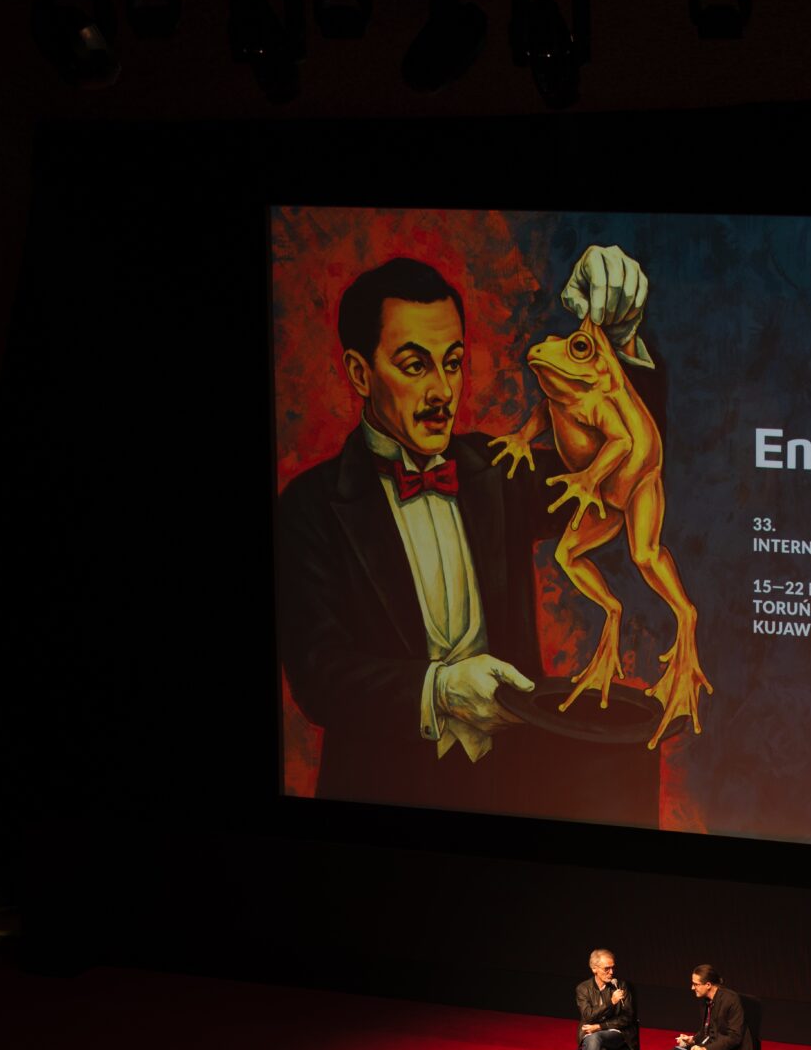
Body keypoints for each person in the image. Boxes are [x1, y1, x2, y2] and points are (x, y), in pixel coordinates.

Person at [275, 247, 662, 820]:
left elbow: (627, 468)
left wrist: (622, 338)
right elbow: (320, 677)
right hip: (378, 805)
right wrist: (441, 689)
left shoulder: (493, 470)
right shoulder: (309, 506)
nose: (441, 392)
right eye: (415, 366)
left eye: (452, 362)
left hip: (514, 798)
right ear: (359, 372)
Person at [572, 946, 637, 1050]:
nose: (611, 972)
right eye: (606, 969)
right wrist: (610, 1003)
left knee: (596, 1036)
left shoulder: (620, 986)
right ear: (594, 969)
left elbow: (627, 1018)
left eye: (612, 967)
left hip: (615, 1034)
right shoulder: (583, 989)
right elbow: (587, 1016)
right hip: (590, 1035)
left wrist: (600, 1026)